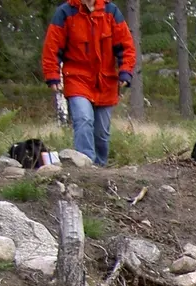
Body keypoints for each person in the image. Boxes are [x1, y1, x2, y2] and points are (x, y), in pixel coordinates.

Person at [40, 0, 136, 167]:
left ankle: (99, 168)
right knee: (83, 119)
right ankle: (85, 166)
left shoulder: (111, 11)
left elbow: (126, 46)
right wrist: (52, 74)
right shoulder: (65, 12)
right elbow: (52, 47)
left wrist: (125, 71)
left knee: (101, 133)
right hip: (77, 78)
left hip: (105, 81)